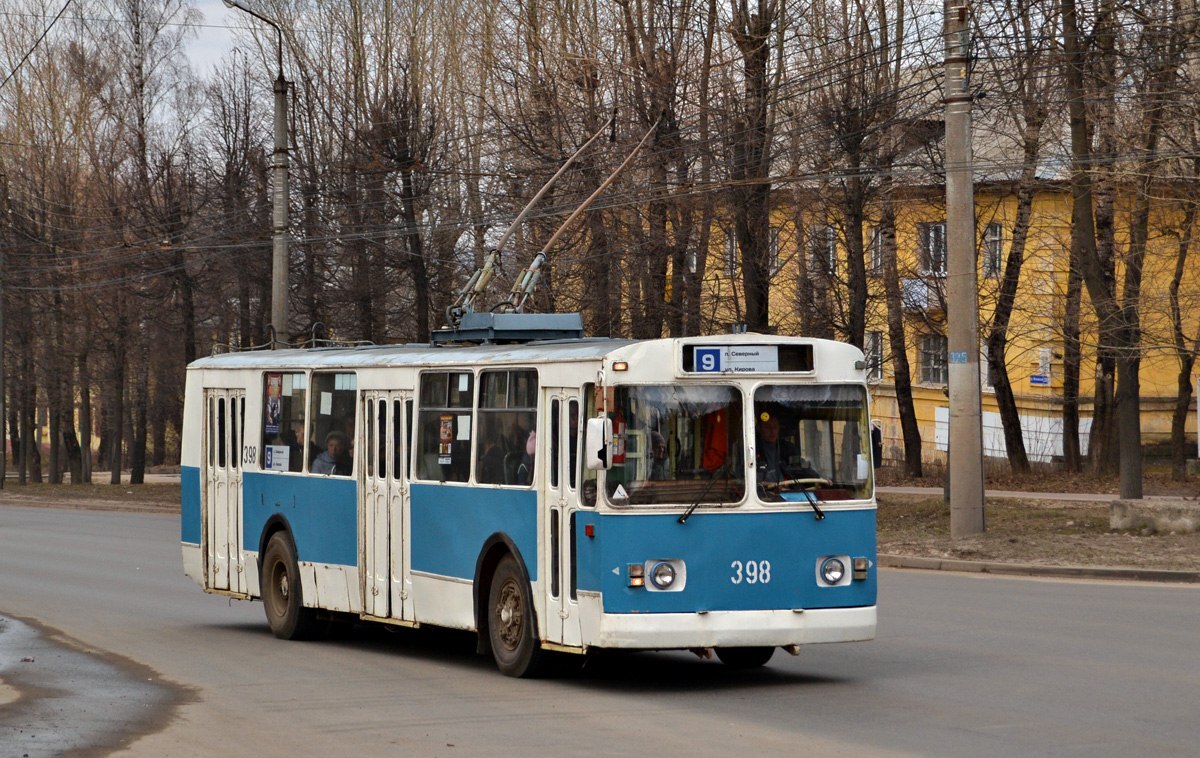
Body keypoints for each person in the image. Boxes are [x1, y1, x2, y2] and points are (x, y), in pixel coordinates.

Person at [756, 414, 816, 483]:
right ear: (759, 429)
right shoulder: (754, 449)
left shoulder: (788, 449)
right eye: (768, 427)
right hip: (763, 492)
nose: (772, 431)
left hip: (787, 490)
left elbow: (801, 467)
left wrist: (818, 478)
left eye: (775, 427)